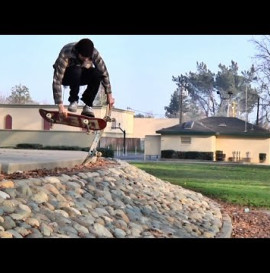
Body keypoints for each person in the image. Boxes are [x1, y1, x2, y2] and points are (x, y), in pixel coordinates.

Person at [52, 38, 115, 118]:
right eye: (83, 57)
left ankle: (88, 105)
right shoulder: (67, 52)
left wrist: (110, 96)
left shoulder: (94, 53)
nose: (85, 59)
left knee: (97, 74)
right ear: (78, 52)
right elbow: (57, 80)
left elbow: (104, 73)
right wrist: (60, 106)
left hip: (80, 76)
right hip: (66, 77)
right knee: (76, 69)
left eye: (87, 58)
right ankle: (73, 100)